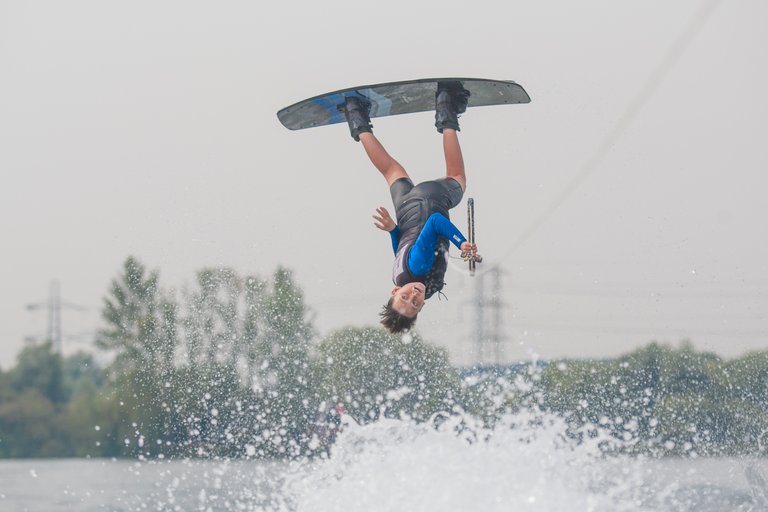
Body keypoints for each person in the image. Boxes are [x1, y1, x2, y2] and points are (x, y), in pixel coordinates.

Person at [339, 81, 480, 333]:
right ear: (421, 308)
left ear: (394, 291)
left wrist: (462, 243)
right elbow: (400, 250)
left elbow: (435, 222)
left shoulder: (419, 268)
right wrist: (393, 230)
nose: (413, 296)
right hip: (405, 209)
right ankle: (355, 114)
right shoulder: (399, 276)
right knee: (390, 170)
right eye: (414, 304)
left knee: (457, 178)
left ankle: (447, 105)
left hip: (429, 200)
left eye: (404, 297)